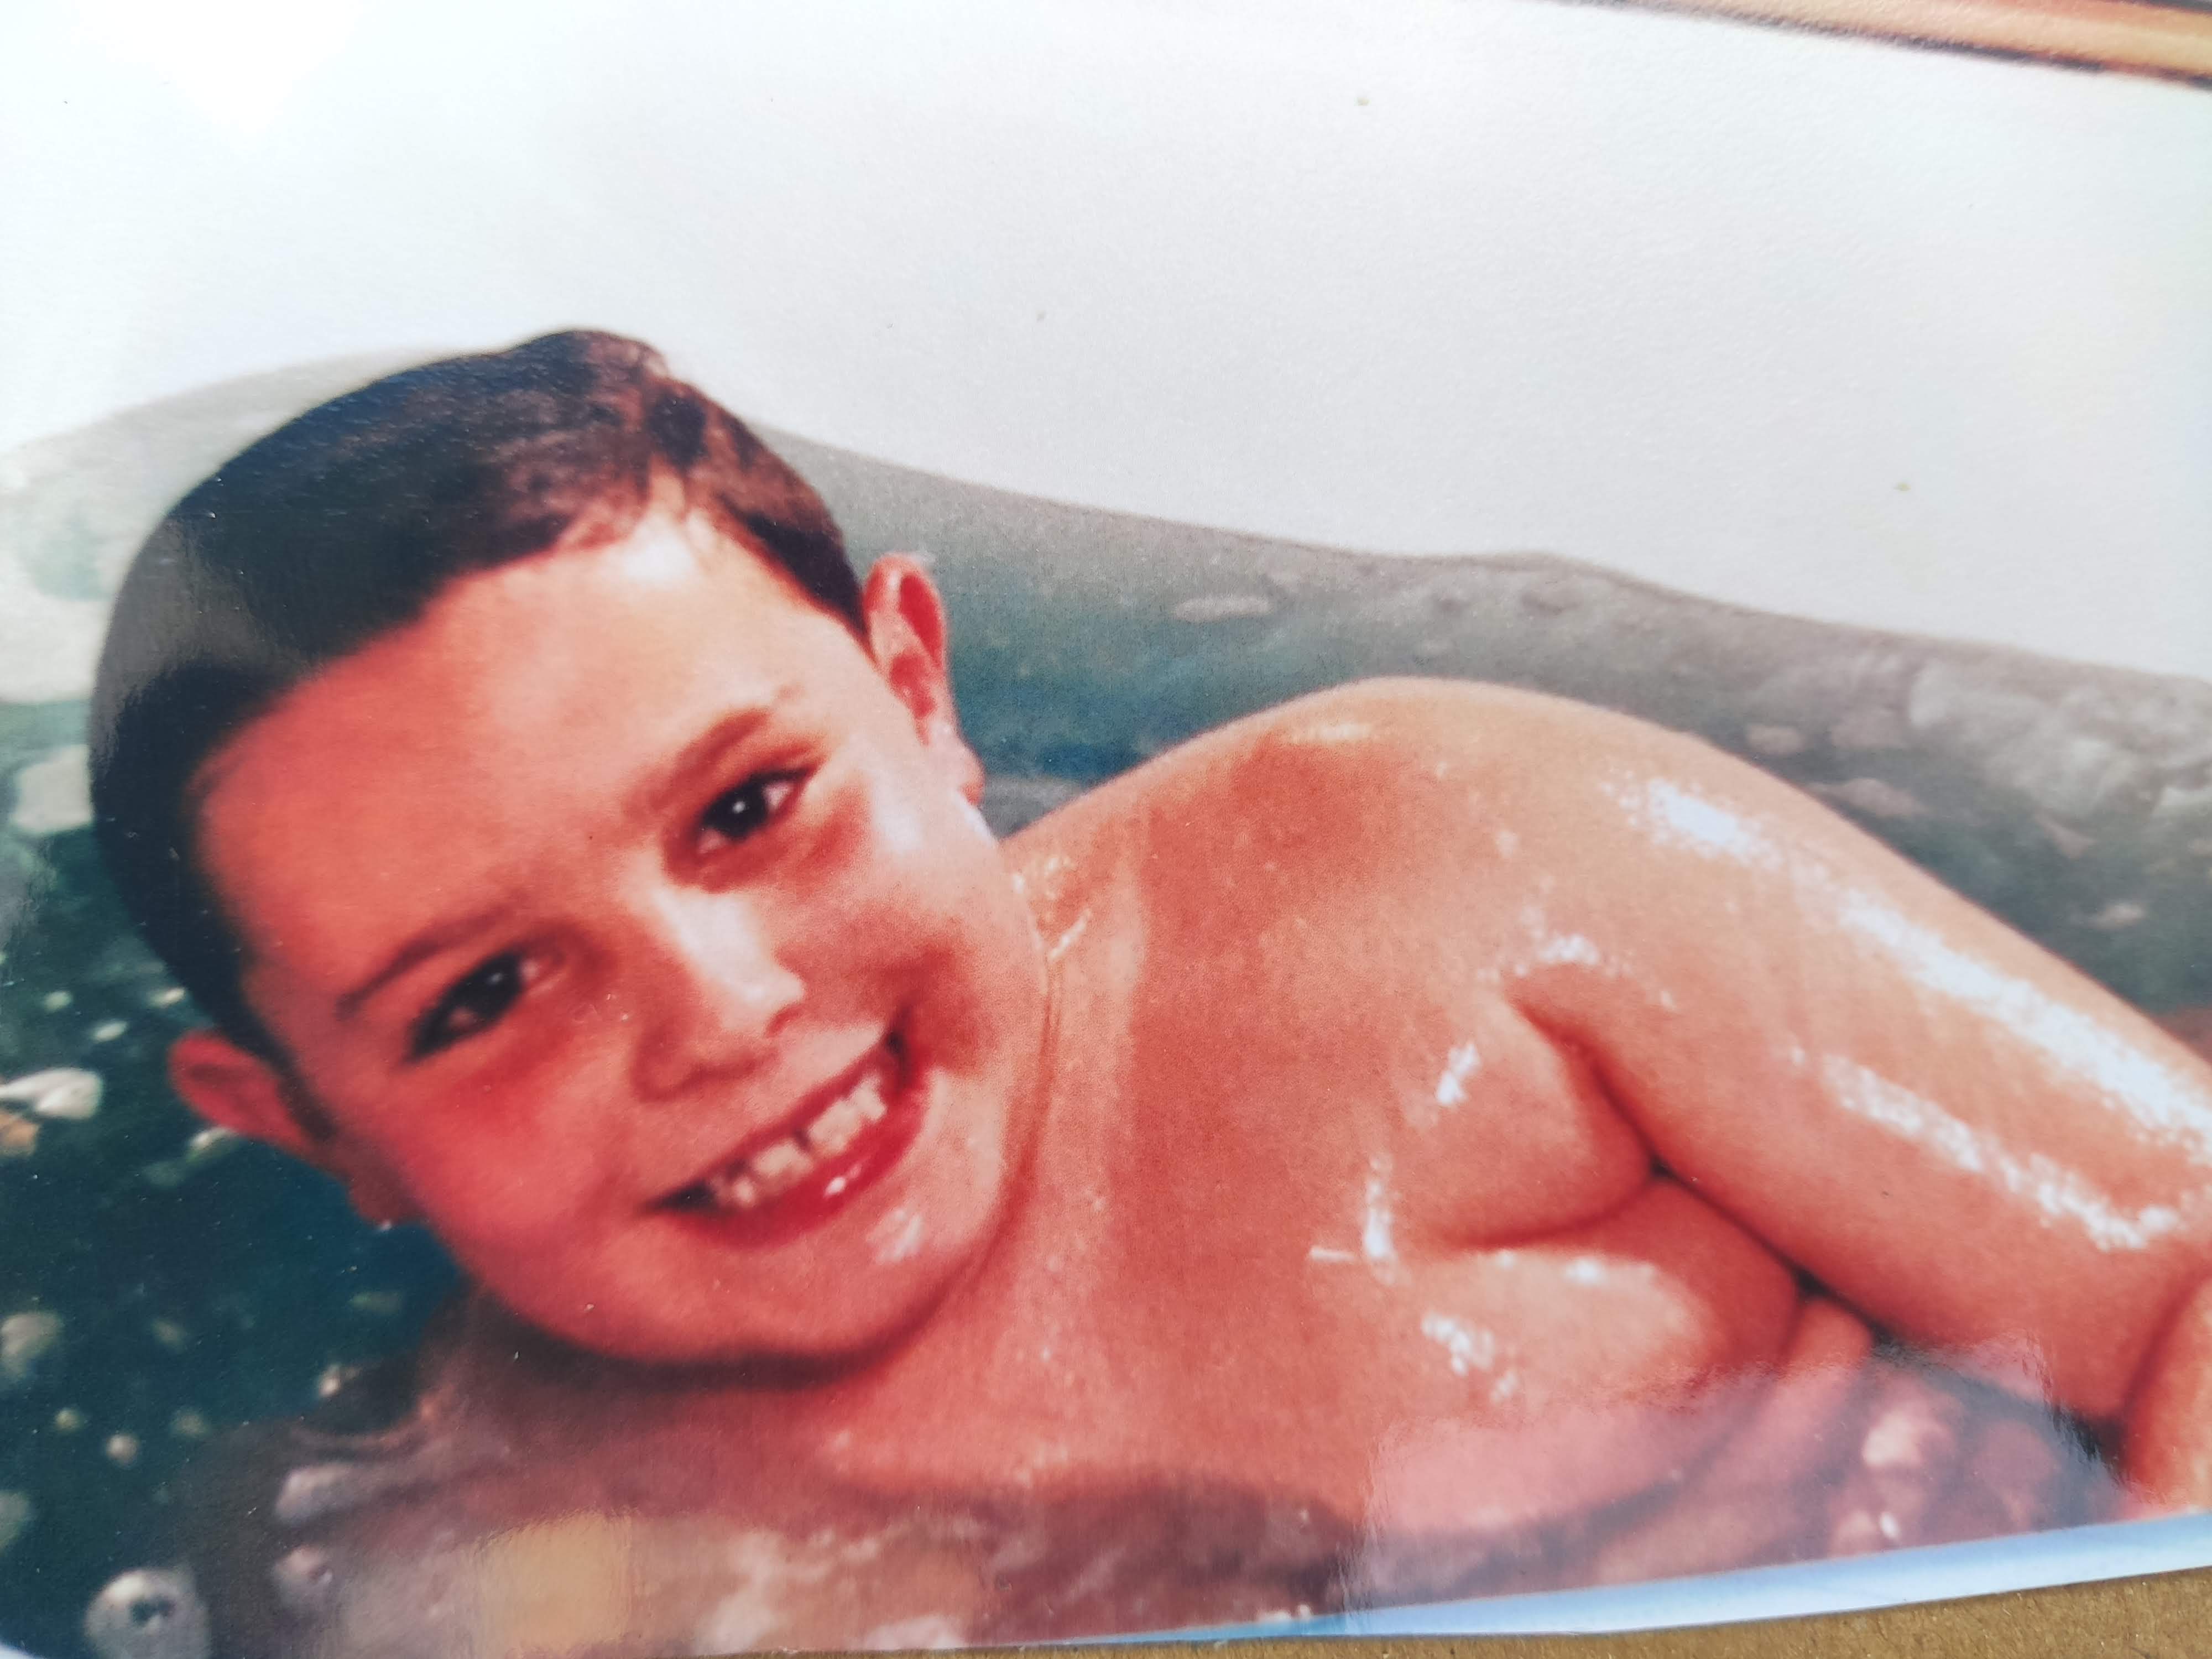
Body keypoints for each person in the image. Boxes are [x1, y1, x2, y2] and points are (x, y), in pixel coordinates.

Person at [86, 332, 2212, 1635]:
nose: (722, 1012)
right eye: (481, 998)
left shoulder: (1430, 871)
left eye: (749, 809)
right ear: (307, 1120)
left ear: (922, 694)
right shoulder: (461, 1561)